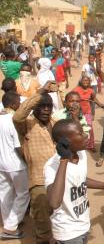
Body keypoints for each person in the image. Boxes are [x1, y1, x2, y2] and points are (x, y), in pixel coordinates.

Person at [45, 119, 104, 243]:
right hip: (67, 232)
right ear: (66, 142)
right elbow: (54, 202)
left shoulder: (81, 154)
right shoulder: (51, 166)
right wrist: (64, 159)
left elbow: (80, 180)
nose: (86, 135)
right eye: (80, 133)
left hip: (83, 224)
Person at [13, 82, 59, 243]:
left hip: (58, 178)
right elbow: (18, 116)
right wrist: (40, 92)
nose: (46, 109)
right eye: (42, 106)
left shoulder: (54, 123)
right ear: (34, 109)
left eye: (48, 106)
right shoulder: (26, 125)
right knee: (42, 221)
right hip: (39, 180)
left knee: (58, 215)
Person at [0, 92, 29, 240]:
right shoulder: (13, 120)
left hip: (1, 164)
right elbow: (18, 147)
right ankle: (10, 227)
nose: (20, 105)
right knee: (23, 194)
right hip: (16, 164)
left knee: (5, 193)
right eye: (18, 103)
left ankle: (9, 222)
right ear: (12, 105)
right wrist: (28, 160)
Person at [72, 76, 104, 152]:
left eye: (87, 81)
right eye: (84, 80)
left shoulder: (91, 90)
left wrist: (100, 104)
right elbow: (69, 97)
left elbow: (94, 99)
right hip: (77, 113)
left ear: (89, 82)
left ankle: (91, 145)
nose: (85, 82)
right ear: (80, 81)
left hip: (87, 112)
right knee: (77, 128)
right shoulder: (76, 90)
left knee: (90, 129)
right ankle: (77, 145)